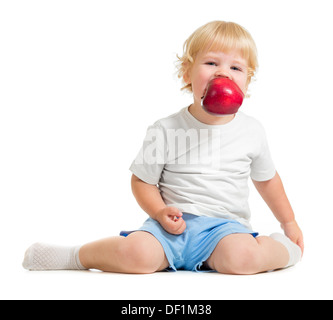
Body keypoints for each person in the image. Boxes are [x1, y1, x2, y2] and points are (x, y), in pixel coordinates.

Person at [22, 21, 304, 275]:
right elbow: (142, 181)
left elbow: (267, 180)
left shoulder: (251, 130)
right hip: (169, 227)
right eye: (211, 63)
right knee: (137, 255)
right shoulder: (165, 129)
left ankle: (284, 251)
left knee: (242, 259)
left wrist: (288, 223)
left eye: (235, 68)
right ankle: (74, 256)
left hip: (224, 229)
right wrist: (158, 212)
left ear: (247, 81)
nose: (223, 74)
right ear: (187, 73)